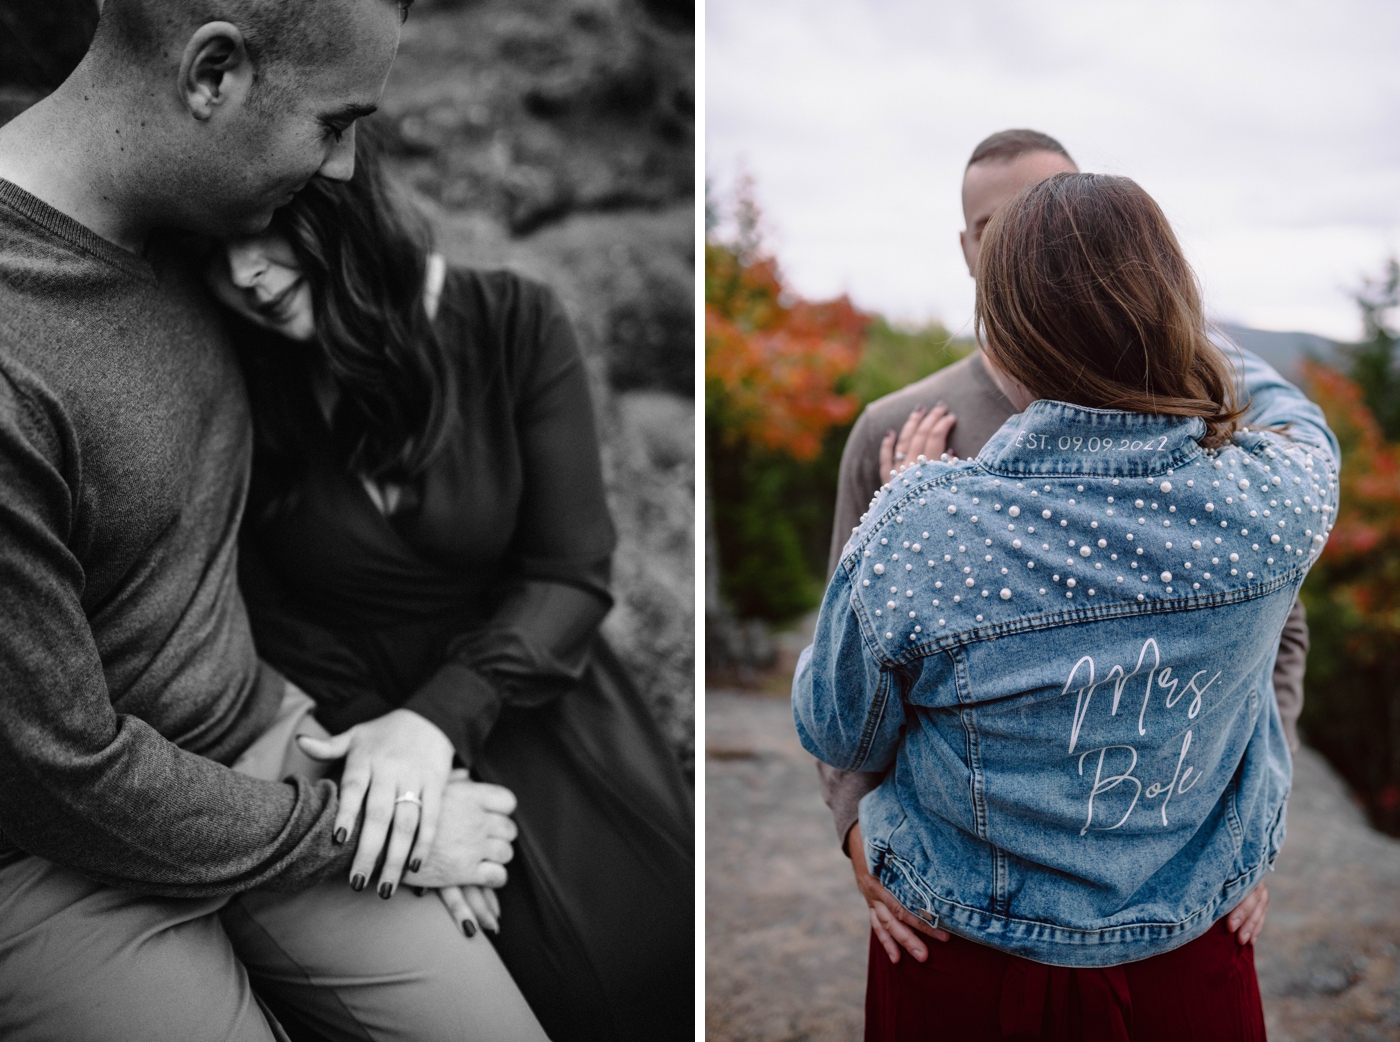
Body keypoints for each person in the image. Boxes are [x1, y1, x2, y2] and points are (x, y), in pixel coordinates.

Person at [0, 1, 549, 1039]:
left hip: (264, 747)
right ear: (213, 75)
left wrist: (394, 756)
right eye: (333, 123)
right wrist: (352, 836)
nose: (343, 169)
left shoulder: (192, 222)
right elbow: (55, 777)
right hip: (52, 860)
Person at [794, 171, 1339, 1039]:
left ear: (1001, 338)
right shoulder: (1279, 496)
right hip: (1189, 946)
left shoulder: (922, 518)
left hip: (966, 955)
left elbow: (839, 727)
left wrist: (894, 521)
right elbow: (1300, 420)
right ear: (1172, 311)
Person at [201, 128, 694, 1042]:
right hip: (356, 725)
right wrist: (400, 781)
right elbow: (275, 617)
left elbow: (572, 574)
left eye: (265, 227)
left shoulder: (514, 321)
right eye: (212, 252)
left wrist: (438, 724)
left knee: (654, 948)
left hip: (534, 694)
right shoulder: (245, 378)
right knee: (526, 987)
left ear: (335, 201)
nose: (247, 276)